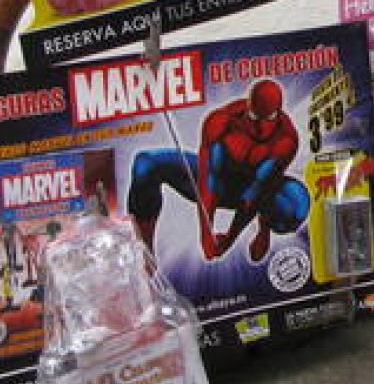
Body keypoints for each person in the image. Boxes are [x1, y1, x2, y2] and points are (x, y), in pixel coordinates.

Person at [126, 79, 309, 263]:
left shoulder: (286, 140)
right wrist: (207, 236)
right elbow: (208, 180)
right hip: (221, 183)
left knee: (295, 205)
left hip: (258, 190)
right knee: (145, 163)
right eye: (254, 117)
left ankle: (264, 226)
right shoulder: (221, 121)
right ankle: (145, 254)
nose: (260, 129)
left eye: (269, 119)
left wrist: (228, 240)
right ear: (248, 107)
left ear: (278, 112)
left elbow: (257, 190)